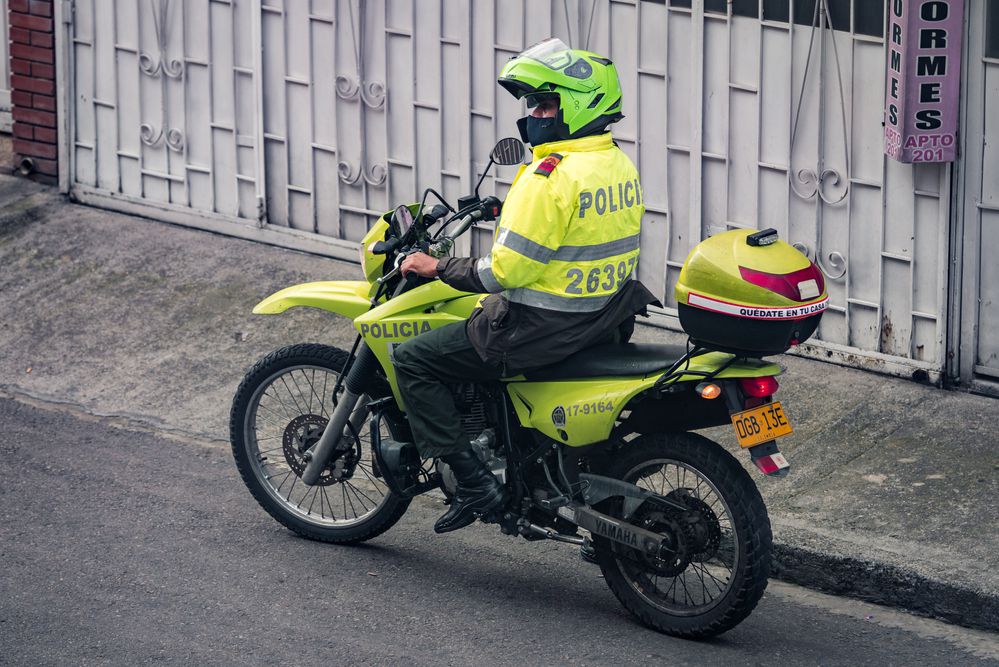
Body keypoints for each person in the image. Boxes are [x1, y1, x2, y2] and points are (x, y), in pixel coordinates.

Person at [393, 38, 657, 534]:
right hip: (600, 316)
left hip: (540, 327)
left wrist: (436, 267)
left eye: (545, 102)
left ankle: (476, 486)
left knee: (413, 359)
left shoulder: (547, 176)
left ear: (578, 105)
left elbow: (502, 274)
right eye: (531, 102)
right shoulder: (615, 162)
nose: (533, 112)